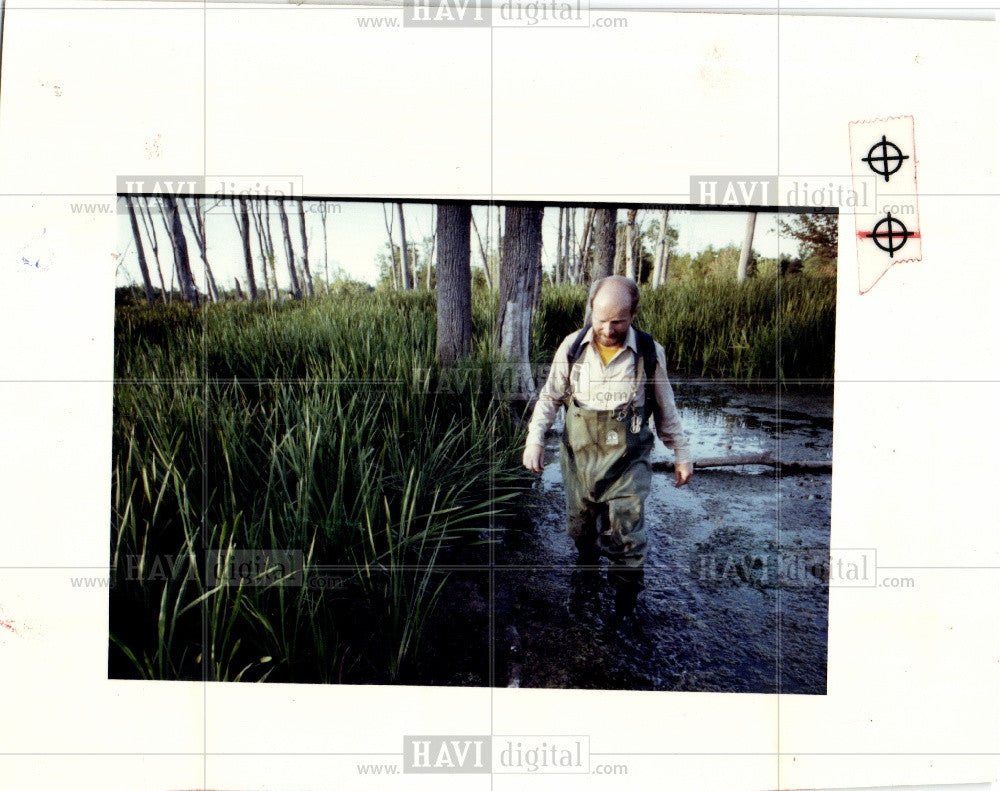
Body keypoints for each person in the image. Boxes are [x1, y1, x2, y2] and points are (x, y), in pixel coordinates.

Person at [522, 275, 693, 616]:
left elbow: (666, 408)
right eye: (600, 319)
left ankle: (624, 611)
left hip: (628, 462)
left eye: (618, 321)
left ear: (634, 312)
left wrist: (682, 454)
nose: (607, 328)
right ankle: (586, 574)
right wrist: (534, 439)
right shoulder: (572, 347)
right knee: (580, 529)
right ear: (591, 309)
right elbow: (550, 397)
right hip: (580, 461)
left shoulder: (648, 351)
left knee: (628, 536)